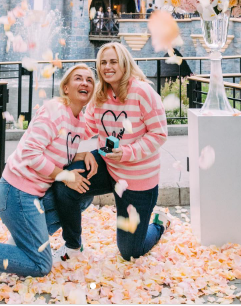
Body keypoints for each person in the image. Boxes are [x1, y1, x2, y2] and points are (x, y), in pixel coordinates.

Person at [0, 64, 96, 287]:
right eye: (78, 78)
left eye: (90, 80)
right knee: (41, 265)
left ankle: (18, 246)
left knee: (83, 194)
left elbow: (56, 150)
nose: (85, 83)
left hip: (36, 196)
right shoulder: (54, 110)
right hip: (17, 193)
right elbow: (30, 153)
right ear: (65, 87)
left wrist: (84, 154)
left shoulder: (79, 121)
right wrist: (65, 176)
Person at [53, 42, 169, 263]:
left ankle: (160, 224)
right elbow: (87, 128)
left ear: (124, 64)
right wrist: (57, 126)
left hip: (137, 181)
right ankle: (73, 246)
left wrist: (126, 152)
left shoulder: (143, 92)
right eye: (103, 62)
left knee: (130, 252)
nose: (107, 67)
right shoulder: (99, 94)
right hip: (107, 167)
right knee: (64, 181)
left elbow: (159, 134)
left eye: (113, 62)